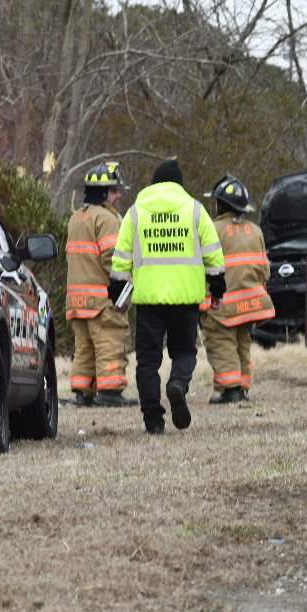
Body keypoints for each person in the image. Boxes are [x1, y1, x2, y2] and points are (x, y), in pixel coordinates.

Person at [108, 159, 227, 434]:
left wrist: (118, 296)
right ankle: (177, 384)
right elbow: (214, 256)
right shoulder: (195, 210)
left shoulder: (135, 213)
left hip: (148, 302)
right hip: (186, 299)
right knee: (184, 352)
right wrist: (217, 290)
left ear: (153, 183)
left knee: (148, 362)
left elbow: (121, 260)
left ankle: (153, 421)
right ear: (179, 184)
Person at [64, 163, 136, 406]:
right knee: (110, 342)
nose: (119, 195)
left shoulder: (77, 217)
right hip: (102, 299)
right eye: (115, 191)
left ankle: (83, 392)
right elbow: (115, 260)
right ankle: (110, 391)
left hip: (77, 300)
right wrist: (124, 295)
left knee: (84, 347)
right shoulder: (107, 219)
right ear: (104, 193)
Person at [199, 174, 274, 404]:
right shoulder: (255, 231)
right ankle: (242, 387)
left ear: (221, 204)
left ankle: (230, 389)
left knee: (222, 345)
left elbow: (203, 268)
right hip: (251, 303)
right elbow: (265, 270)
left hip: (221, 305)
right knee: (243, 344)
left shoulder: (211, 229)